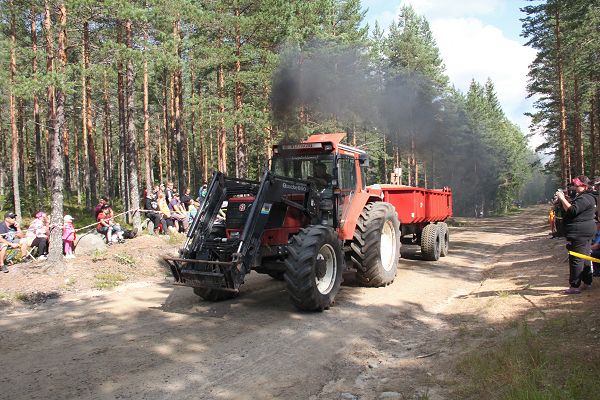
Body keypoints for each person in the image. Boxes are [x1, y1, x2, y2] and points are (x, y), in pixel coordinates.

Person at [556, 175, 597, 294]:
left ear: (584, 186)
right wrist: (566, 200)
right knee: (584, 257)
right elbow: (570, 210)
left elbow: (572, 211)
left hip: (580, 232)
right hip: (585, 231)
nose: (574, 187)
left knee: (576, 258)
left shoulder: (584, 198)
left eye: (577, 185)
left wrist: (562, 198)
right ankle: (587, 281)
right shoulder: (586, 197)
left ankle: (574, 285)